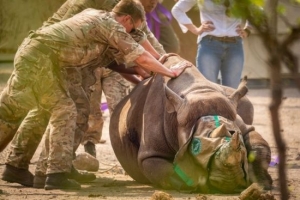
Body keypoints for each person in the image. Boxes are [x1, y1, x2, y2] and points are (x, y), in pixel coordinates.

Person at [0, 0, 188, 190]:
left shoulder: (112, 18)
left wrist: (151, 70)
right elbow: (141, 56)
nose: (130, 34)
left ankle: (47, 168)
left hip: (61, 64)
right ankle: (52, 173)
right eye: (132, 28)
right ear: (126, 18)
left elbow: (126, 55)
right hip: (41, 59)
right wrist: (170, 72)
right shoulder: (108, 22)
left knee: (79, 109)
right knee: (44, 111)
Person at [171, 0, 251, 88]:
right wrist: (195, 29)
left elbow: (257, 10)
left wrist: (248, 29)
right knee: (208, 89)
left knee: (232, 91)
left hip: (235, 46)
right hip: (209, 45)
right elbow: (177, 9)